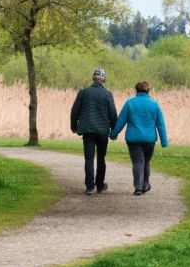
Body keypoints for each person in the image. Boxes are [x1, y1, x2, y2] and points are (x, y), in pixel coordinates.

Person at [112, 80, 169, 196]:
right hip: (149, 140)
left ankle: (138, 187)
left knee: (138, 162)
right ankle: (145, 185)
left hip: (133, 139)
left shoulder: (130, 103)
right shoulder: (154, 105)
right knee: (146, 162)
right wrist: (164, 141)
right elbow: (160, 124)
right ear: (148, 91)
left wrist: (114, 134)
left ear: (136, 90)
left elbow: (121, 120)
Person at [69, 67, 118, 195]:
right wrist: (114, 131)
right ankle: (100, 185)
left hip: (88, 130)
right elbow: (113, 114)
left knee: (89, 158)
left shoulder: (83, 93)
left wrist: (73, 126)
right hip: (102, 131)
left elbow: (74, 111)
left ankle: (89, 186)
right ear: (104, 80)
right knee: (101, 158)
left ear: (93, 78)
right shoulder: (107, 94)